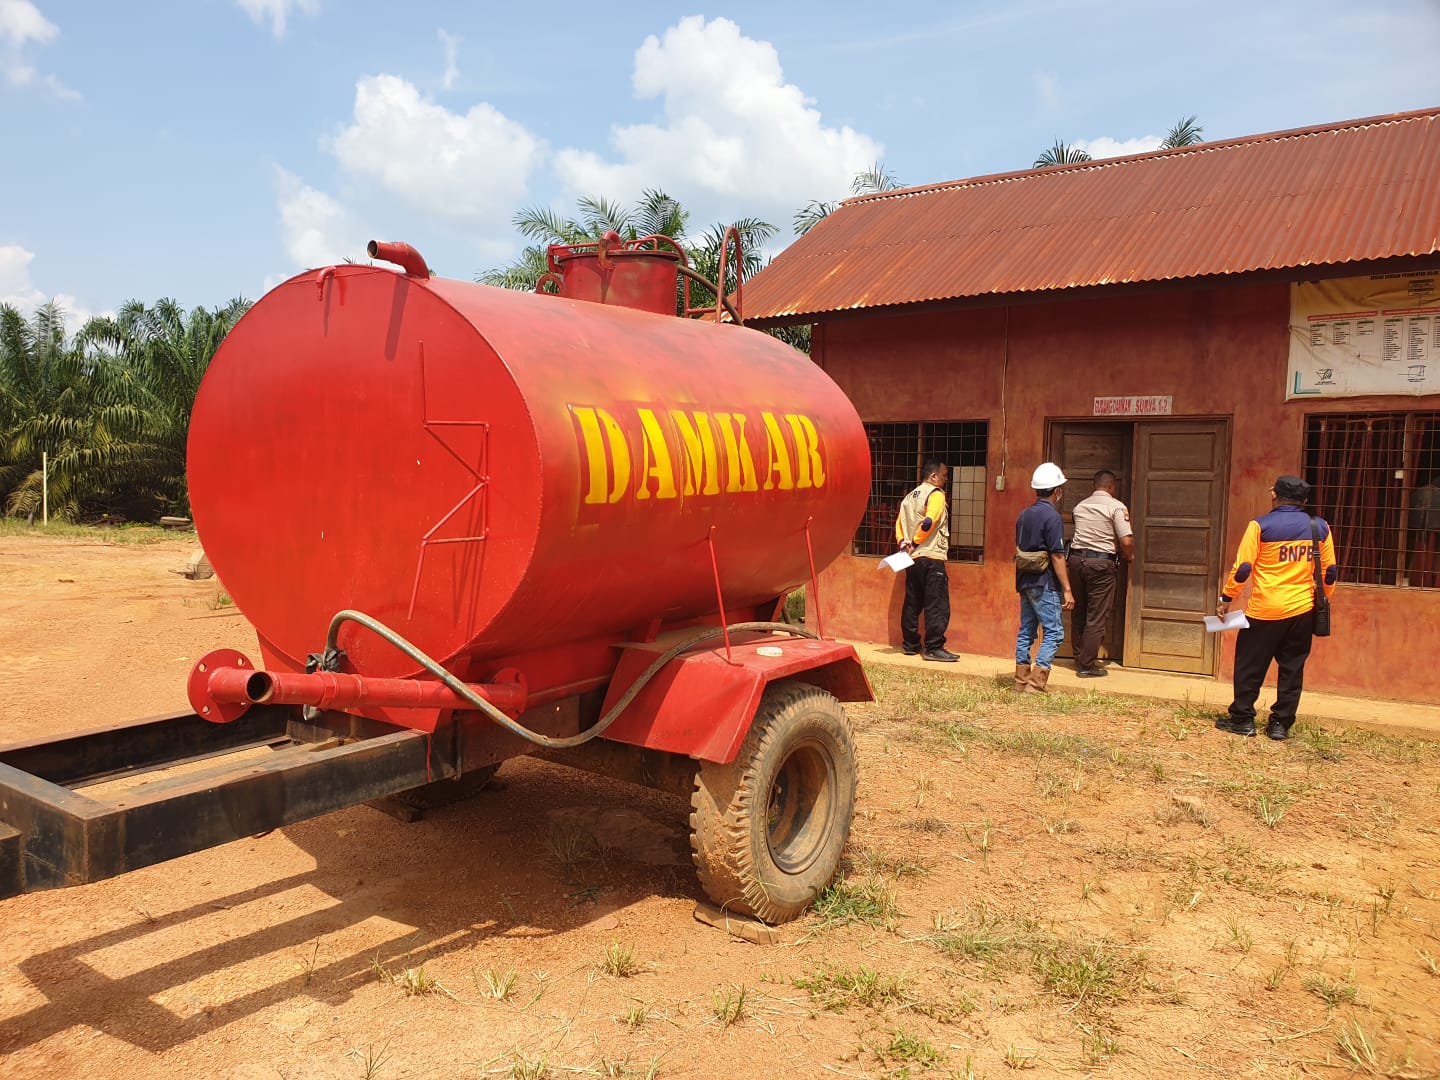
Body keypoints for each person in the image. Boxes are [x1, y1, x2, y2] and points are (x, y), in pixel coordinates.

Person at [1216, 475, 1337, 740]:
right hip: (1303, 610)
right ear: (1304, 501)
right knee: (1292, 669)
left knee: (1250, 665)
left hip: (1265, 610)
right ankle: (1280, 724)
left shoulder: (1260, 526)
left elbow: (1244, 568)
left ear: (1275, 496)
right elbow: (1329, 573)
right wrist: (1323, 600)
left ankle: (1243, 720)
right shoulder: (1320, 528)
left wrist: (1227, 598)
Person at [1066, 470, 1135, 677]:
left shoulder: (1080, 507)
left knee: (1079, 611)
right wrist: (1129, 556)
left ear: (1094, 486)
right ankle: (1086, 666)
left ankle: (1079, 658)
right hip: (1101, 564)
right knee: (1096, 616)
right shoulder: (1116, 507)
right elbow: (1126, 541)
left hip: (1077, 561)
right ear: (1112, 487)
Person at [1014, 462, 1075, 692]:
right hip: (1044, 581)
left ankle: (1021, 681)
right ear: (1057, 490)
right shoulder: (1053, 517)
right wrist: (1067, 588)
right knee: (1055, 632)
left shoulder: (1023, 515)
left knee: (1027, 629)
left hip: (1024, 580)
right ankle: (1036, 684)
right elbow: (1057, 556)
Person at [896, 459, 960, 662]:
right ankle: (934, 647)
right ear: (933, 477)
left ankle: (910, 644)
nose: (946, 479)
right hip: (931, 556)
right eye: (944, 475)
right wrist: (916, 542)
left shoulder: (909, 497)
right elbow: (930, 521)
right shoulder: (936, 495)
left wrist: (903, 544)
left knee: (912, 602)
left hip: (911, 559)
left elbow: (899, 524)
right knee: (937, 604)